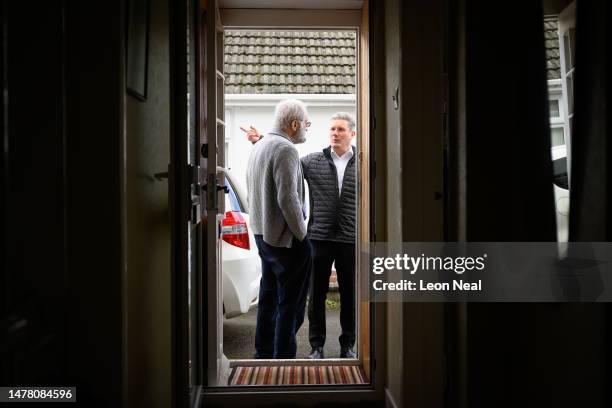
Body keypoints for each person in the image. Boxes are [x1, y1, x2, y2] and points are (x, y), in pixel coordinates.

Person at [242, 112, 357, 359]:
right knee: (316, 296)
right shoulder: (312, 160)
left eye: (340, 129)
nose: (335, 133)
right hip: (318, 237)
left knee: (350, 295)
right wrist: (260, 140)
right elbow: (282, 159)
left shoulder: (364, 163)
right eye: (332, 129)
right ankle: (317, 347)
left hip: (350, 238)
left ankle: (348, 345)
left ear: (352, 134)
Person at [246, 99, 312, 359]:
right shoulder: (286, 149)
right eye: (306, 124)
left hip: (263, 235)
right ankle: (283, 358)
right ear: (294, 125)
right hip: (286, 240)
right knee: (291, 305)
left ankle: (263, 354)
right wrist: (302, 235)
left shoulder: (260, 145)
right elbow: (288, 198)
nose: (307, 128)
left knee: (269, 297)